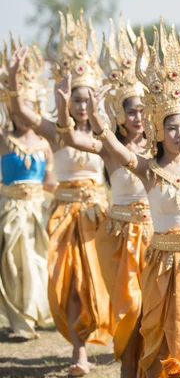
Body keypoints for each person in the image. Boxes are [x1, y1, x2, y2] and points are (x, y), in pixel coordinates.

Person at [91, 20, 180, 377]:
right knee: (155, 329)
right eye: (171, 126)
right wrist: (102, 121)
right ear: (159, 130)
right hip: (159, 261)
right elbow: (116, 149)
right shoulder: (148, 169)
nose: (177, 133)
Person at [10, 8, 112, 376]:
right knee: (70, 284)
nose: (81, 106)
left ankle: (112, 341)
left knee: (98, 284)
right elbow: (21, 109)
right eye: (75, 100)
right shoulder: (54, 132)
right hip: (63, 215)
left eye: (86, 100)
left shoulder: (103, 135)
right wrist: (11, 80)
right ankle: (78, 353)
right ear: (65, 99)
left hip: (98, 214)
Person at [57, 16, 151, 376]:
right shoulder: (109, 147)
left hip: (155, 238)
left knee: (152, 307)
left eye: (143, 110)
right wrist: (69, 107)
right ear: (120, 114)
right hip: (117, 238)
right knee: (128, 306)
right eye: (131, 110)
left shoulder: (160, 147)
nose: (138, 116)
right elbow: (73, 140)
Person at [0, 36, 54, 340]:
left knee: (36, 263)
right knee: (12, 264)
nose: (22, 117)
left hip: (37, 212)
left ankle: (31, 316)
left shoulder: (45, 144)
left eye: (28, 110)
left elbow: (49, 182)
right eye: (17, 110)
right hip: (9, 213)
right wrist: (11, 76)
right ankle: (19, 321)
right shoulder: (2, 139)